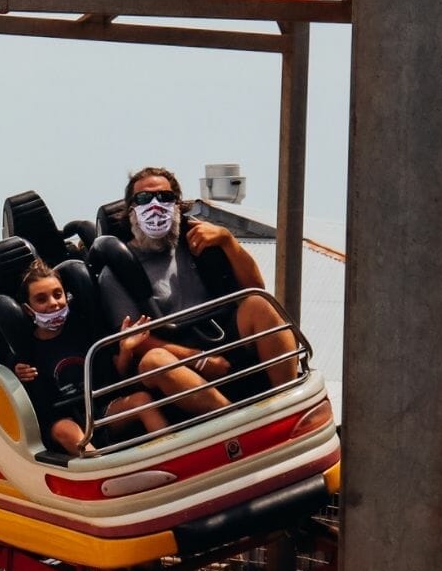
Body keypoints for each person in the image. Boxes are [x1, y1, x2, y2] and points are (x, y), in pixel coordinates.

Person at [95, 165, 300, 397]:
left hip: (223, 334)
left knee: (259, 305)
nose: (155, 205)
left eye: (164, 197)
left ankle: (289, 398)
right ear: (131, 210)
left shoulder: (201, 239)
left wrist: (228, 241)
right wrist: (198, 359)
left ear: (177, 205)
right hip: (175, 356)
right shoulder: (115, 273)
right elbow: (136, 340)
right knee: (155, 360)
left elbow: (255, 288)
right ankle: (230, 413)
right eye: (144, 198)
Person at [11, 260, 163, 463]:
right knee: (64, 429)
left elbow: (116, 374)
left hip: (100, 410)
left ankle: (170, 451)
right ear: (29, 309)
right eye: (41, 299)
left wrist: (125, 349)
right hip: (66, 419)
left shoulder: (84, 329)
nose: (53, 303)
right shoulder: (27, 349)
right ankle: (104, 467)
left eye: (57, 294)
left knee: (142, 400)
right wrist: (17, 375)